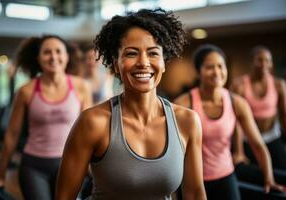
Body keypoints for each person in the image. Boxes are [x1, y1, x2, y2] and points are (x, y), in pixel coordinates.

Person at [55, 8, 206, 200]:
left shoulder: (187, 121)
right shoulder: (93, 122)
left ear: (164, 62)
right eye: (131, 53)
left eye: (153, 53)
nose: (143, 62)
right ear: (115, 64)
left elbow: (194, 193)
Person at [0, 35, 92, 200]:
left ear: (67, 56)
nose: (53, 57)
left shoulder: (81, 87)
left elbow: (88, 132)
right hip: (34, 167)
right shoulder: (25, 91)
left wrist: (90, 165)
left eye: (58, 51)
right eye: (47, 52)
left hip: (69, 165)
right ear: (38, 58)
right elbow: (12, 134)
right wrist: (0, 176)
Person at [174, 44, 285, 200]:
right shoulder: (183, 104)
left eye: (220, 66)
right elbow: (172, 151)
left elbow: (258, 145)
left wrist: (269, 178)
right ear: (198, 72)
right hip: (193, 181)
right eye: (209, 67)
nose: (217, 72)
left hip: (225, 175)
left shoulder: (237, 103)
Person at [230, 46, 286, 170]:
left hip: (272, 137)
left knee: (282, 173)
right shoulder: (239, 85)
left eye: (268, 60)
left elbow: (284, 116)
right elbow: (235, 121)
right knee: (253, 177)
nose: (264, 64)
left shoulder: (279, 85)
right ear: (252, 61)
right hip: (248, 140)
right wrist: (239, 151)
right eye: (259, 60)